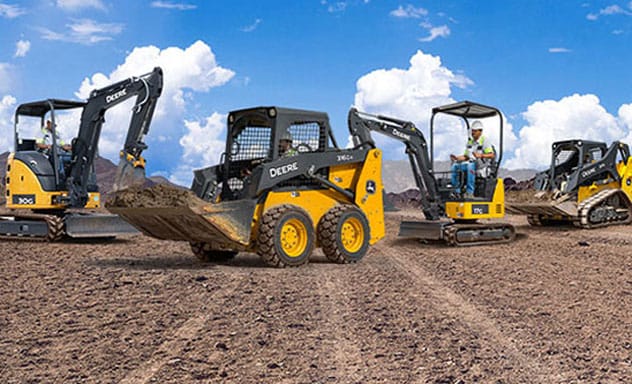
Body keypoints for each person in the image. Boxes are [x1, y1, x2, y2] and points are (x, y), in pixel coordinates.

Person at [449, 120, 495, 198]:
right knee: (455, 166)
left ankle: (470, 192)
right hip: (471, 164)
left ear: (480, 131)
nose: (472, 133)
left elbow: (491, 155)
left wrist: (480, 155)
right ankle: (456, 191)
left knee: (470, 166)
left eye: (474, 131)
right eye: (472, 131)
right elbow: (466, 156)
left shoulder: (484, 141)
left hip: (481, 167)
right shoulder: (470, 142)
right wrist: (457, 158)